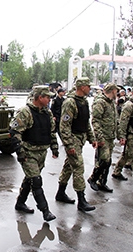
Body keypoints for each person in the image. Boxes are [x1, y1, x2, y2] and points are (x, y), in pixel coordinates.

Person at [10, 85, 58, 222]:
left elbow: (51, 131)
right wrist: (20, 152)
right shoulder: (25, 112)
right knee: (36, 180)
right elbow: (15, 132)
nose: (49, 99)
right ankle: (45, 210)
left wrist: (54, 148)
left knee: (30, 179)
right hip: (28, 152)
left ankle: (20, 203)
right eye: (47, 97)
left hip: (41, 152)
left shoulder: (47, 113)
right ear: (39, 97)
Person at [55, 77, 97, 212]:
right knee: (78, 167)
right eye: (88, 86)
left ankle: (60, 193)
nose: (90, 88)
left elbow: (86, 122)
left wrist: (92, 138)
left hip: (81, 138)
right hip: (73, 139)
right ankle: (81, 200)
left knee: (69, 166)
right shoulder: (70, 102)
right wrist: (69, 145)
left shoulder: (83, 102)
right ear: (82, 87)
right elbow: (64, 126)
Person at [87, 83, 120, 193]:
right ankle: (93, 178)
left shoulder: (111, 103)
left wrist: (119, 134)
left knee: (108, 161)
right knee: (104, 159)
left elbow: (115, 120)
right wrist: (99, 138)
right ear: (112, 90)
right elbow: (95, 120)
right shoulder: (100, 102)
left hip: (110, 136)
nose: (117, 93)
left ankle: (102, 182)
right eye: (116, 90)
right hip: (103, 136)